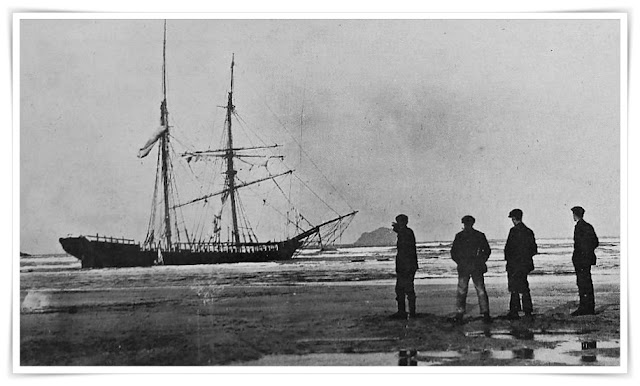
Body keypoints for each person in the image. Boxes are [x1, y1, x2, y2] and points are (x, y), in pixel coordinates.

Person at [450, 215, 492, 324]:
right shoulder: (479, 235)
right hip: (475, 266)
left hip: (465, 267)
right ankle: (485, 313)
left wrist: (460, 262)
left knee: (462, 290)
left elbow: (453, 253)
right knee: (480, 290)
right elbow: (487, 251)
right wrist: (481, 261)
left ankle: (460, 313)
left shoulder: (459, 236)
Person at [504, 209, 538, 320]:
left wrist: (510, 260)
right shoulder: (528, 231)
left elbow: (508, 249)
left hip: (514, 264)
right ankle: (527, 310)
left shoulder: (513, 231)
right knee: (524, 286)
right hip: (524, 264)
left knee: (514, 287)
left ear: (514, 219)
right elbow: (534, 249)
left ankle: (514, 311)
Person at [570, 206, 599, 316]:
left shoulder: (579, 227)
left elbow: (580, 245)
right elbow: (595, 242)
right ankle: (589, 307)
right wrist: (588, 252)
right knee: (587, 282)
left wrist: (583, 253)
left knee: (582, 283)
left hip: (581, 259)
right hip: (586, 259)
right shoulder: (588, 226)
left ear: (575, 215)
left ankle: (584, 307)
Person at [390, 214, 418, 319]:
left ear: (404, 222)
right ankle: (404, 311)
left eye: (400, 222)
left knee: (407, 289)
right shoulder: (405, 232)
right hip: (405, 265)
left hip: (407, 265)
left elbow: (405, 248)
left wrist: (399, 231)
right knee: (400, 289)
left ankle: (409, 312)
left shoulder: (406, 232)